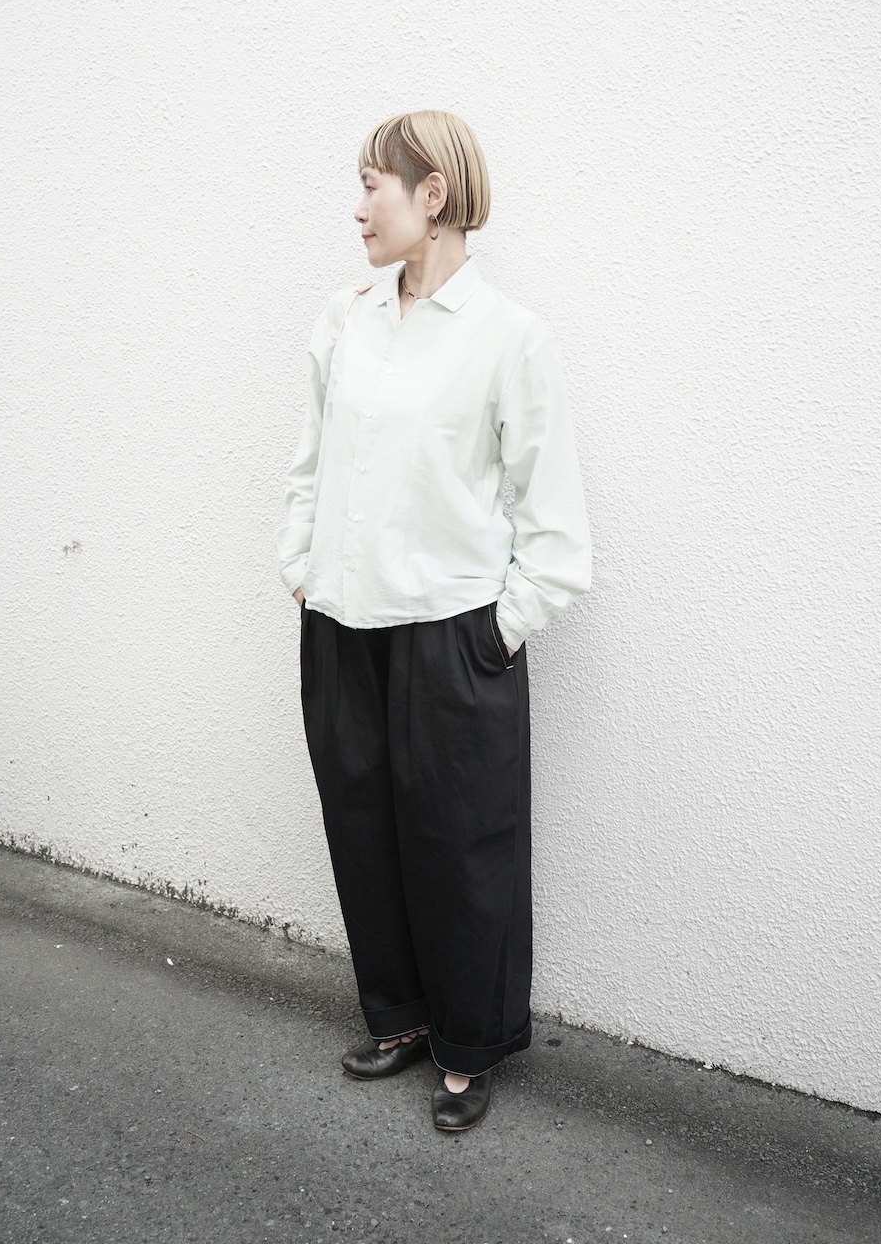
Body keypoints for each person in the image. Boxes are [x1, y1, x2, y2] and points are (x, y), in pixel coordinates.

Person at [275, 110, 591, 1132]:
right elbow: (311, 461)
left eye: (374, 184)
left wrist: (500, 630)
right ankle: (401, 1016)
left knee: (464, 850)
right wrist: (301, 567)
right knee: (362, 831)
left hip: (452, 635)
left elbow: (553, 521)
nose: (359, 207)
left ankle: (468, 1045)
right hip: (342, 623)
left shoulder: (508, 338)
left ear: (434, 197)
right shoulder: (346, 319)